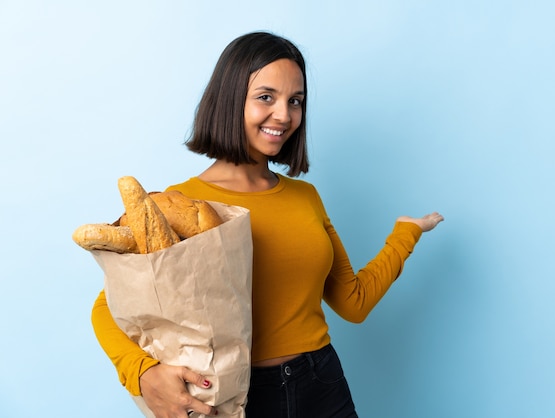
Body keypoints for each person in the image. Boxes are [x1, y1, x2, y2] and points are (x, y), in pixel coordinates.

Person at [91, 31, 444, 418]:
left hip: (323, 383)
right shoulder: (180, 204)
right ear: (230, 99)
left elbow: (352, 302)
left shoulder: (304, 197)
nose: (284, 115)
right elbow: (107, 307)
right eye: (266, 97)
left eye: (296, 101)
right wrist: (142, 374)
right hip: (237, 396)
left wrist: (405, 233)